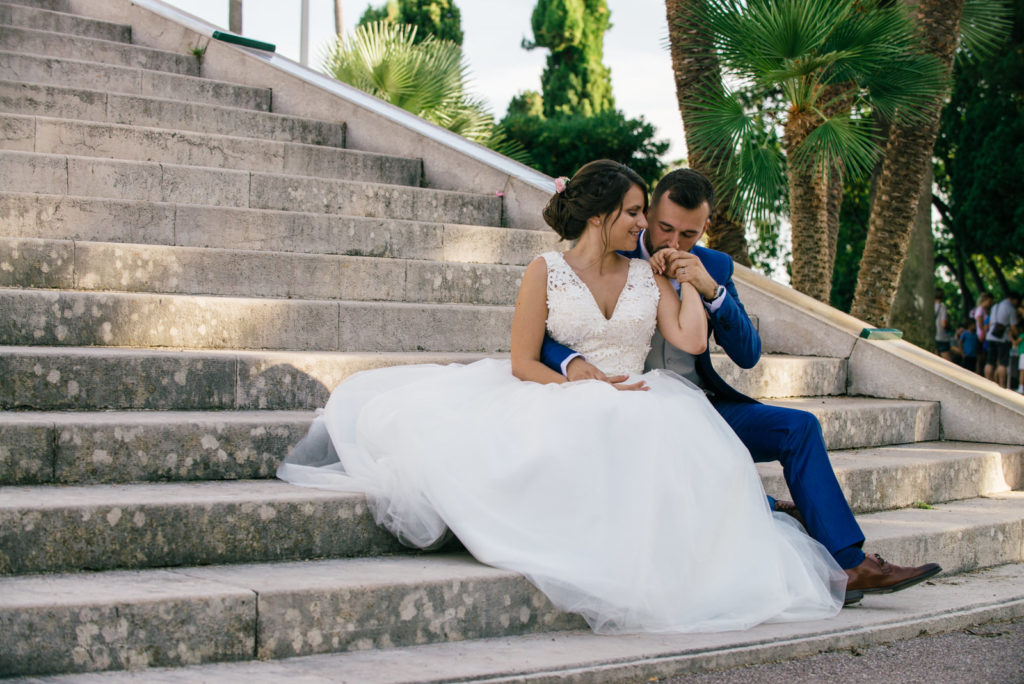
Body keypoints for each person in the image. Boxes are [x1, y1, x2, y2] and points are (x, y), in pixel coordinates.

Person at [278, 160, 848, 634]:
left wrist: (695, 285)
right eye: (635, 214)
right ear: (601, 217)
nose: (646, 226)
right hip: (570, 390)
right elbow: (524, 358)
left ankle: (787, 535)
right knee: (584, 432)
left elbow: (693, 340)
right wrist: (577, 381)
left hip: (650, 396)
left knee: (666, 436)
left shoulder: (652, 274)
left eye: (652, 217)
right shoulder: (544, 270)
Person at [540, 168, 941, 599]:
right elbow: (557, 323)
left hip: (702, 404)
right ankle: (771, 510)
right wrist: (571, 361)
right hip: (635, 407)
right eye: (665, 227)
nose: (674, 242)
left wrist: (710, 290)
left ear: (706, 227)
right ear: (649, 212)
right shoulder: (616, 249)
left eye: (689, 233)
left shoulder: (714, 265)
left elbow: (748, 354)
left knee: (800, 428)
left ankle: (851, 563)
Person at [985, 291, 1021, 388]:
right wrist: (1018, 335)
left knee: (990, 361)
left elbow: (991, 323)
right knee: (1002, 363)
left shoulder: (995, 306)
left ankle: (987, 383)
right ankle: (1002, 385)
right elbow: (1013, 327)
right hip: (1003, 338)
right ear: (1014, 300)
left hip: (991, 335)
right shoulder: (1010, 309)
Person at [971, 293, 993, 376]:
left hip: (983, 334)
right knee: (981, 357)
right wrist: (984, 331)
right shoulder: (980, 310)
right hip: (981, 335)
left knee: (982, 357)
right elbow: (980, 324)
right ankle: (978, 374)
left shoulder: (983, 310)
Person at [934, 289, 954, 361]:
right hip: (941, 336)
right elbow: (944, 323)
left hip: (933, 335)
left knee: (935, 359)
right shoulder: (942, 307)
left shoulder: (929, 306)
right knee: (947, 360)